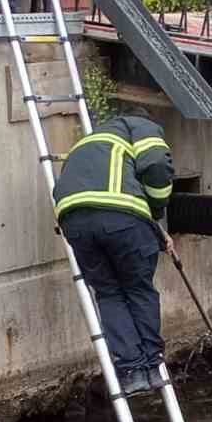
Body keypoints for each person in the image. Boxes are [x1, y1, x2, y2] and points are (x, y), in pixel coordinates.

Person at [54, 107, 175, 397]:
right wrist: (157, 214)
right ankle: (152, 366)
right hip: (121, 218)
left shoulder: (89, 142)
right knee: (138, 289)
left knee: (109, 293)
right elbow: (157, 167)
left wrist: (155, 231)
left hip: (74, 221)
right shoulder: (140, 127)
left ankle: (132, 372)